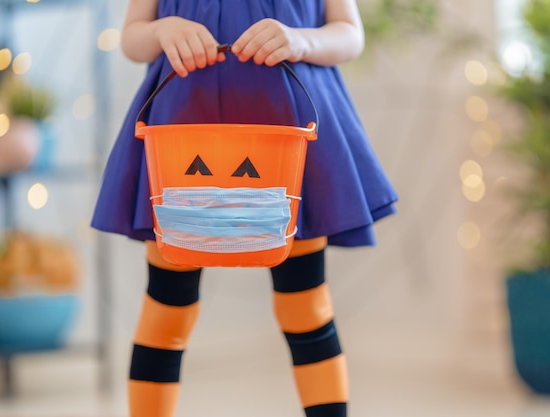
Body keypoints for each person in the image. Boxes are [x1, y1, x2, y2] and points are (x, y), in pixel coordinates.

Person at [91, 1, 398, 416]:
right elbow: (132, 37)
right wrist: (163, 31)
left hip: (287, 135)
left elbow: (349, 33)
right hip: (183, 133)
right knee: (167, 304)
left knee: (304, 302)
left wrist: (299, 40)